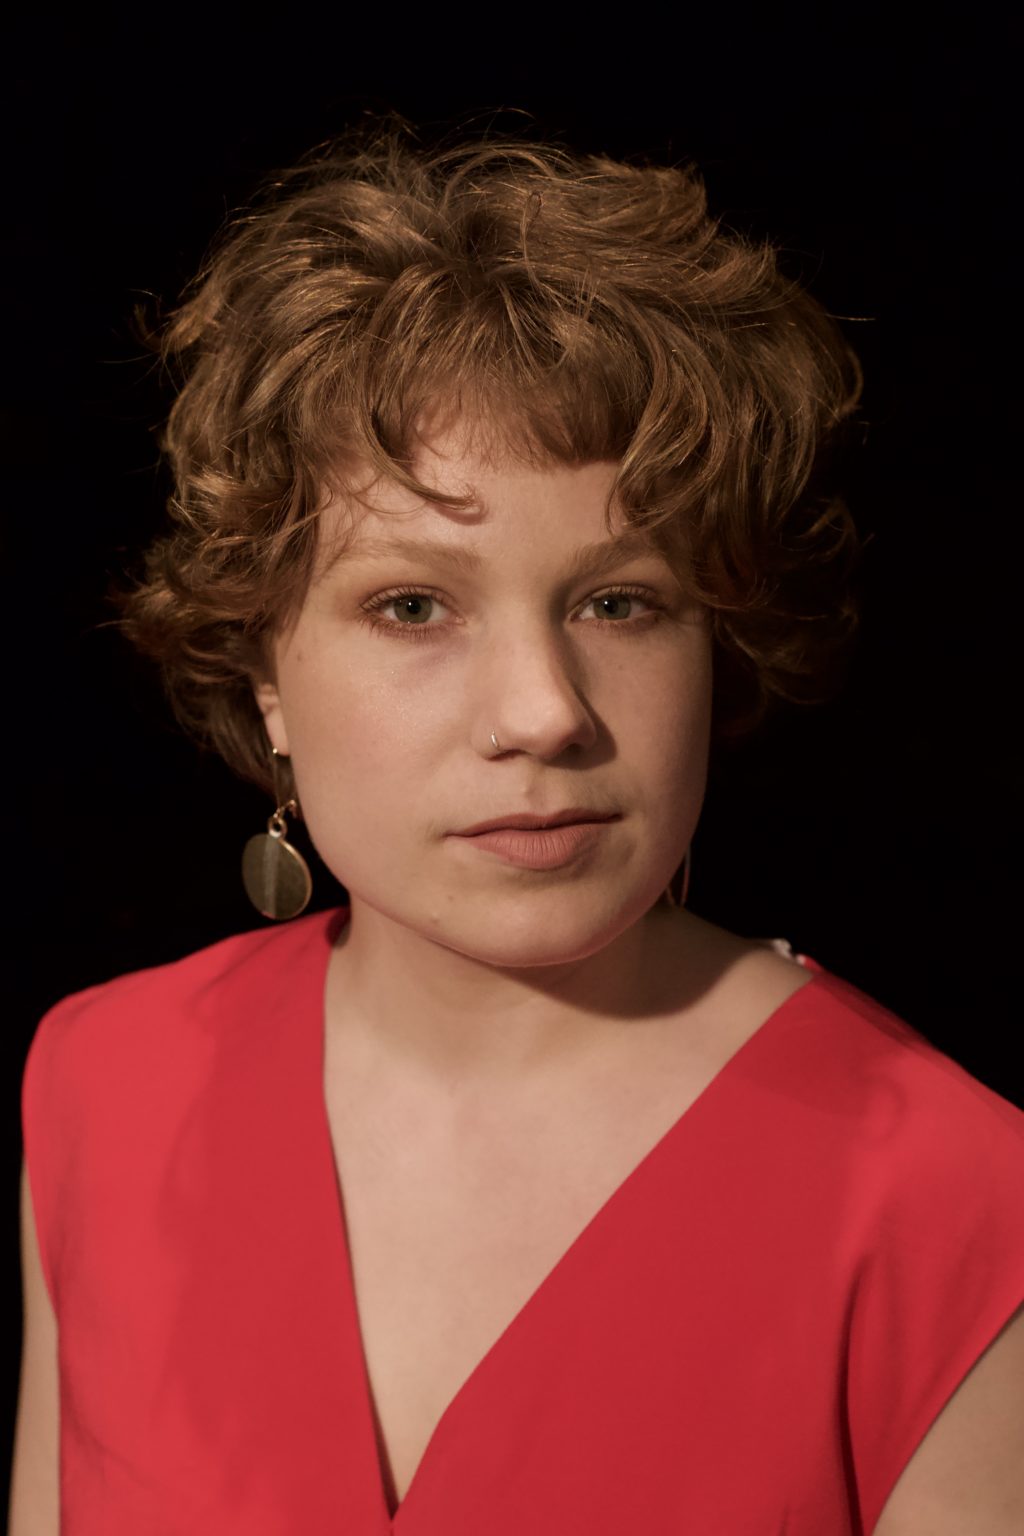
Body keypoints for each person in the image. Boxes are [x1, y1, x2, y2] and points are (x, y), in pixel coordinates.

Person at [11, 122, 1024, 1536]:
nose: (545, 712)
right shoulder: (101, 1085)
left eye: (621, 602)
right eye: (412, 605)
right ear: (263, 672)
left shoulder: (951, 1196)